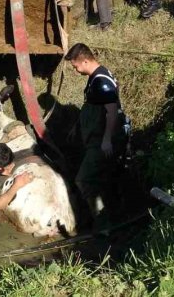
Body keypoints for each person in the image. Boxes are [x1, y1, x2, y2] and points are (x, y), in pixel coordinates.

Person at [65, 42, 126, 233]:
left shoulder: (101, 81)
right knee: (102, 178)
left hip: (101, 141)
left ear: (85, 61)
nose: (75, 70)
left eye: (75, 66)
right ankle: (110, 217)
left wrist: (106, 139)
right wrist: (77, 126)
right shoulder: (95, 77)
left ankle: (103, 224)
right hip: (94, 138)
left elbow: (112, 111)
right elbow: (91, 105)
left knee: (84, 180)